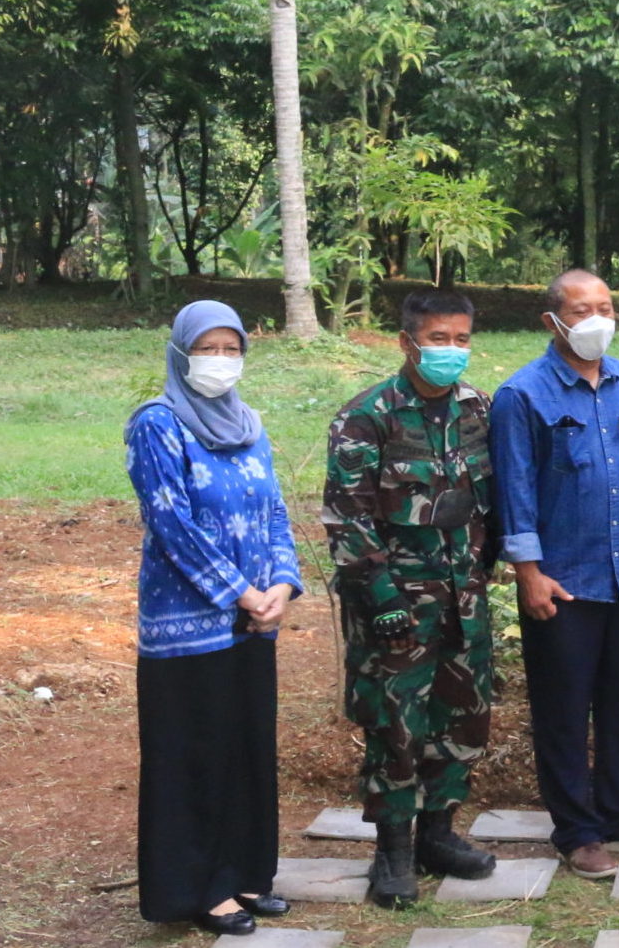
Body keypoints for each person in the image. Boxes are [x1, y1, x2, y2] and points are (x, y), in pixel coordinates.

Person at [491, 270, 619, 878]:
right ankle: (577, 831)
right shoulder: (521, 395)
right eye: (581, 310)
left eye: (605, 307)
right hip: (562, 581)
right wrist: (528, 572)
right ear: (552, 321)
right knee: (564, 710)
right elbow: (515, 487)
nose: (597, 319)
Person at [127, 301, 303, 936]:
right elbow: (171, 523)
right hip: (188, 627)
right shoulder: (157, 423)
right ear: (182, 353)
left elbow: (274, 511)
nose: (220, 361)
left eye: (232, 349)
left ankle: (246, 872)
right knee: (195, 752)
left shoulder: (248, 423)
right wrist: (242, 593)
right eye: (208, 348)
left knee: (247, 746)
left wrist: (281, 584)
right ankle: (200, 888)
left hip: (254, 622)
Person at [323, 290, 499, 908]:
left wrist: (486, 571)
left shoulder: (479, 409)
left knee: (462, 716)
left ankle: (438, 835)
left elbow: (492, 503)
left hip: (463, 599)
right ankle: (393, 850)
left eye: (461, 339)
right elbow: (348, 518)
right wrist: (381, 599)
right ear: (407, 342)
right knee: (395, 724)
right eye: (437, 339)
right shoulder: (368, 417)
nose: (451, 350)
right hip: (396, 607)